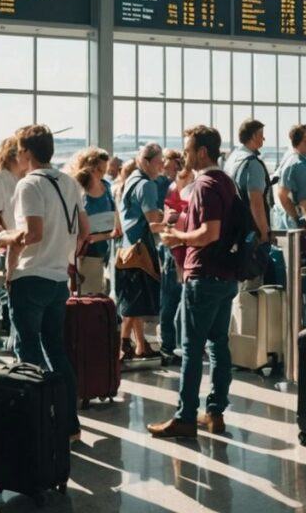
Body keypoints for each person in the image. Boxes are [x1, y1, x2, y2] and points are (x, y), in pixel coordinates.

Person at [148, 125, 239, 439]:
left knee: (191, 349)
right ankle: (215, 412)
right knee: (218, 345)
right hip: (226, 275)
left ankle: (185, 416)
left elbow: (208, 234)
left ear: (201, 152)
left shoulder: (204, 185)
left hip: (203, 274)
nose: (184, 155)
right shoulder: (227, 183)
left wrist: (177, 236)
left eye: (187, 150)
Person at [0, 125, 88, 442]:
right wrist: (63, 253)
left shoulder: (28, 185)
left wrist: (7, 236)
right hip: (57, 278)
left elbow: (32, 234)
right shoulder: (69, 182)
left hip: (32, 275)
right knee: (56, 351)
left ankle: (34, 425)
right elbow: (85, 230)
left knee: (28, 354)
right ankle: (69, 424)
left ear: (25, 153)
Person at [117, 143, 165, 360]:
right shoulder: (146, 185)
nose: (161, 167)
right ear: (146, 162)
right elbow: (153, 222)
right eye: (159, 162)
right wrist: (170, 217)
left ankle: (133, 344)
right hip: (141, 250)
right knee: (137, 302)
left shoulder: (129, 182)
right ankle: (126, 343)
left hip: (127, 249)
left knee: (133, 301)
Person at [71, 147, 121, 296]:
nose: (101, 174)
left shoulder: (106, 186)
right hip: (87, 251)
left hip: (105, 250)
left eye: (104, 170)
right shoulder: (78, 189)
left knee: (100, 292)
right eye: (99, 170)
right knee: (89, 294)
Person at [224, 119, 271, 245]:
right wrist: (264, 232)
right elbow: (256, 202)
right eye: (261, 135)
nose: (264, 138)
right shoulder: (253, 164)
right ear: (254, 136)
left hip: (234, 227)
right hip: (251, 230)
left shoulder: (232, 159)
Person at [157, 149, 184, 366]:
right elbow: (167, 219)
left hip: (175, 248)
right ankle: (168, 345)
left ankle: (171, 345)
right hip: (173, 249)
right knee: (171, 300)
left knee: (173, 299)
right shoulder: (168, 187)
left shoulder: (170, 187)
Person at [272, 124, 306, 231]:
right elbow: (282, 194)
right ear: (301, 140)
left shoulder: (296, 161)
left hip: (293, 219)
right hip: (295, 223)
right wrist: (297, 219)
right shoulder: (296, 164)